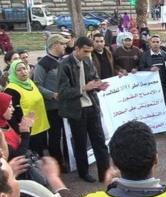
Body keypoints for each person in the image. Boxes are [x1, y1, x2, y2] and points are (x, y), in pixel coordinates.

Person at [57, 36, 110, 183]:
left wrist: (99, 85)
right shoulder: (65, 64)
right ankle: (83, 172)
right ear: (77, 48)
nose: (88, 55)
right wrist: (83, 88)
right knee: (80, 144)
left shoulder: (88, 60)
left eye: (90, 52)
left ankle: (105, 173)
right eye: (85, 51)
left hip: (92, 107)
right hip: (76, 110)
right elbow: (63, 91)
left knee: (99, 142)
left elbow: (95, 78)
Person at [34, 34, 69, 167]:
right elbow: (36, 85)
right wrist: (52, 95)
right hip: (52, 107)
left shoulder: (62, 61)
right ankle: (57, 163)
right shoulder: (42, 64)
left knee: (67, 135)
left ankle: (68, 159)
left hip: (65, 105)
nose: (65, 46)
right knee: (55, 136)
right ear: (54, 45)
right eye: (62, 43)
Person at [4, 60, 49, 157]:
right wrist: (19, 130)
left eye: (24, 68)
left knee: (41, 154)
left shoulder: (29, 82)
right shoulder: (11, 89)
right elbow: (10, 113)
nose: (23, 72)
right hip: (26, 131)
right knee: (33, 157)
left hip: (40, 125)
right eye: (19, 70)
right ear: (13, 73)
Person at [139, 35, 166, 108]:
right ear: (150, 43)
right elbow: (140, 68)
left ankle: (164, 117)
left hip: (163, 84)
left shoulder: (165, 54)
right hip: (150, 84)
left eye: (157, 42)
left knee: (163, 100)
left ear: (160, 43)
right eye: (153, 42)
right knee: (151, 102)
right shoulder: (144, 55)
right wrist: (149, 69)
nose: (155, 44)